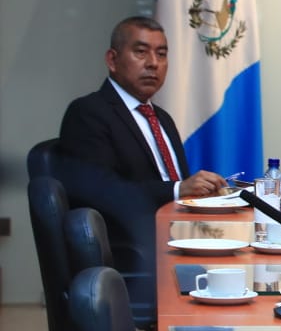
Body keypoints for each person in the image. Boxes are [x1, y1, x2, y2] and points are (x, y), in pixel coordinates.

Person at [58, 16, 224, 204]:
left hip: (182, 226)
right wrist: (178, 189)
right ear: (112, 60)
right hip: (133, 232)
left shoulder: (162, 118)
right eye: (141, 52)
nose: (153, 63)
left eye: (161, 54)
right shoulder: (88, 112)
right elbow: (98, 190)